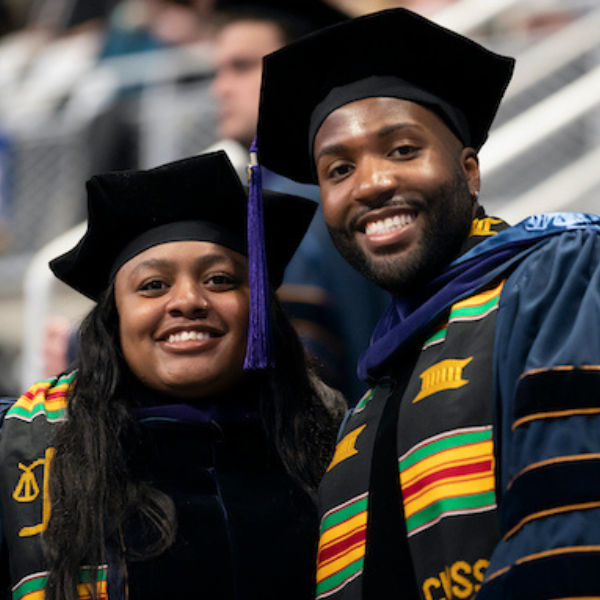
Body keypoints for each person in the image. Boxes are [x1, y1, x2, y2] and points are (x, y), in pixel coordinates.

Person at [255, 8, 600, 599]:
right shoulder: (366, 406)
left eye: (403, 150)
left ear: (470, 171)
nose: (370, 185)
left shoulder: (555, 275)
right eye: (339, 169)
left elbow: (570, 519)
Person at [0, 151, 345, 599]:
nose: (188, 300)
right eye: (153, 286)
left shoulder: (332, 440)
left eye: (220, 280)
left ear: (259, 309)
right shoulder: (26, 451)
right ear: (115, 319)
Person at [210, 3, 388, 397]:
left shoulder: (289, 210)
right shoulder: (358, 191)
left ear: (302, 76)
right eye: (217, 71)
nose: (218, 89)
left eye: (241, 67)